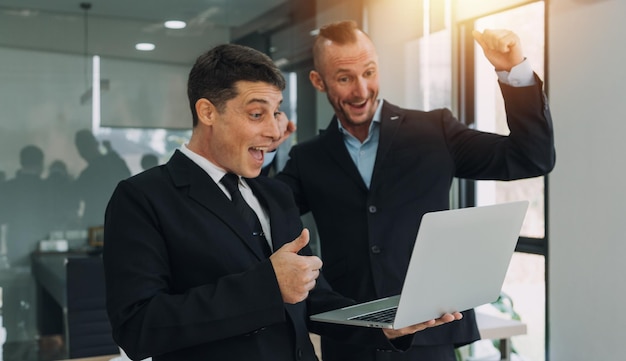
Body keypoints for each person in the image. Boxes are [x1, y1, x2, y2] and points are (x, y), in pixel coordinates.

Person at [102, 43, 462, 361]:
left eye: (276, 112)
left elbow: (313, 301)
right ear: (208, 112)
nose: (275, 132)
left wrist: (384, 324)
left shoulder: (275, 194)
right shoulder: (142, 199)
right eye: (257, 114)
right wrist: (266, 286)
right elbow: (138, 328)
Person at [274, 21, 556, 361]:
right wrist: (266, 145)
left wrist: (512, 71)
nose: (361, 90)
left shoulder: (434, 131)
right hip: (352, 341)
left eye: (369, 72)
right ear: (319, 81)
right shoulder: (308, 158)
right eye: (345, 78)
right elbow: (265, 213)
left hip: (430, 333)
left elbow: (532, 157)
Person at [73, 129, 131, 228]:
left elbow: (76, 195)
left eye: (82, 148)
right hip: (119, 220)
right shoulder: (114, 161)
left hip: (96, 222)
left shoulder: (87, 174)